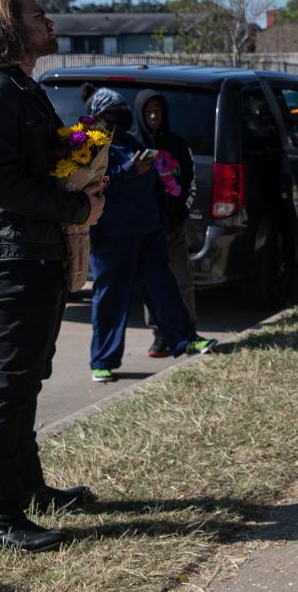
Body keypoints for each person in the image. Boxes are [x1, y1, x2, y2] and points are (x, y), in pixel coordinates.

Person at [0, 0, 106, 552]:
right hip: (10, 258)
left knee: (28, 380)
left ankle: (30, 491)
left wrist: (84, 172)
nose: (51, 23)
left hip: (38, 253)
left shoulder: (22, 87)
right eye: (39, 15)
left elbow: (38, 166)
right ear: (9, 25)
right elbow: (1, 182)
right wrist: (75, 205)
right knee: (8, 386)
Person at [85, 86, 216, 384]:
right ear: (98, 119)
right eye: (110, 116)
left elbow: (156, 181)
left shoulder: (132, 142)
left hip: (149, 231)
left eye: (121, 114)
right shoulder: (91, 146)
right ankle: (102, 361)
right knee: (110, 299)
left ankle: (185, 339)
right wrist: (130, 170)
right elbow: (94, 183)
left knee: (164, 289)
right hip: (112, 237)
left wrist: (164, 215)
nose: (118, 121)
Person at [135, 90, 198, 357]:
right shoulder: (134, 146)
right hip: (149, 228)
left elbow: (190, 183)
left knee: (182, 279)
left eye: (158, 111)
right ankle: (160, 334)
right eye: (148, 111)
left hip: (174, 226)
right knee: (153, 283)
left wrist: (182, 211)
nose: (153, 116)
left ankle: (189, 330)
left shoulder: (178, 145)